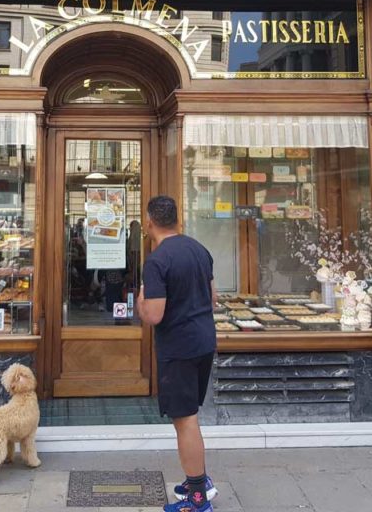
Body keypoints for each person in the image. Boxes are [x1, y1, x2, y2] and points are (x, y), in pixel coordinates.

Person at [137, 195, 217, 512]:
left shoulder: (157, 261)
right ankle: (196, 479)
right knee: (186, 417)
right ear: (177, 219)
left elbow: (154, 315)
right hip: (203, 341)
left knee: (185, 421)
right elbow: (213, 299)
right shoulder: (199, 249)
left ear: (149, 222)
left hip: (179, 347)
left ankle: (197, 498)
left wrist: (141, 299)